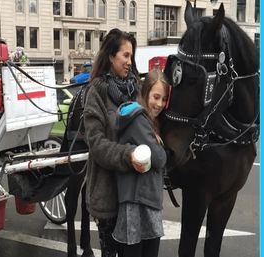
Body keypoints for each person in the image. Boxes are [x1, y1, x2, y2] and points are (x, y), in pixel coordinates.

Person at [83, 28, 146, 257]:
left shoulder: (136, 90)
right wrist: (128, 155)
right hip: (108, 194)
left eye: (132, 56)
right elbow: (97, 144)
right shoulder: (96, 93)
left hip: (134, 191)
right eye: (125, 55)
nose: (130, 61)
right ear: (111, 56)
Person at [112, 68, 170, 257]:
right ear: (145, 93)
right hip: (138, 201)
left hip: (141, 198)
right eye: (156, 97)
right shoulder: (139, 120)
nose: (159, 104)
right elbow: (159, 158)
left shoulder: (146, 119)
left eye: (163, 99)